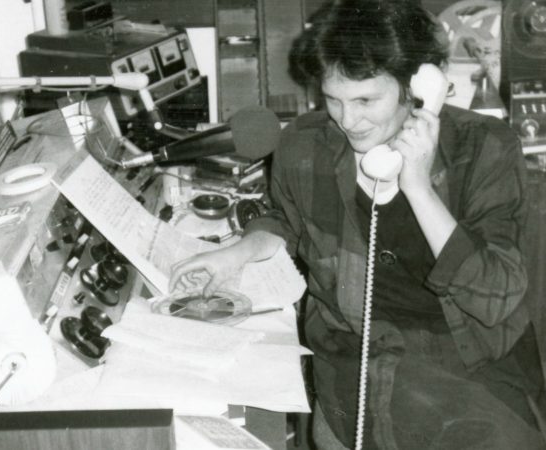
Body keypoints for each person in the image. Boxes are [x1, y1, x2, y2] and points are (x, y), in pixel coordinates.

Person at [170, 0, 546, 448]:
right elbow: (288, 218)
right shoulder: (304, 145)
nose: (348, 121)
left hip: (467, 378)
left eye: (367, 100)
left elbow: (495, 296)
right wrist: (240, 252)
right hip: (354, 373)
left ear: (416, 87)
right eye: (334, 100)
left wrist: (420, 189)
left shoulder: (484, 149)